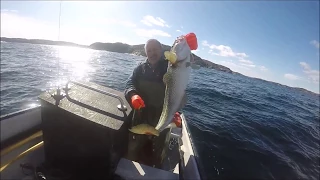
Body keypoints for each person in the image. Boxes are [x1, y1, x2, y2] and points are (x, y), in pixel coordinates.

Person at [124, 39, 175, 167]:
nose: (152, 53)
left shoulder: (170, 68)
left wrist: (174, 112)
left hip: (161, 117)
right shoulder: (139, 69)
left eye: (155, 49)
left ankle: (156, 167)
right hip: (141, 116)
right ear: (146, 53)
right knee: (134, 146)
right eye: (149, 51)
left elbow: (183, 66)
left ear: (161, 49)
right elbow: (129, 84)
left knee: (159, 149)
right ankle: (130, 169)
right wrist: (133, 95)